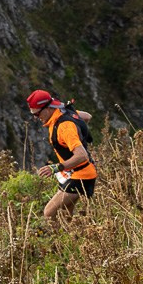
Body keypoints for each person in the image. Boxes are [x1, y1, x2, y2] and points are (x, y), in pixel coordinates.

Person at [26, 89, 97, 223]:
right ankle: (72, 239)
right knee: (66, 214)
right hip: (75, 173)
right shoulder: (64, 112)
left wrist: (56, 168)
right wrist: (78, 133)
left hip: (82, 175)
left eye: (37, 114)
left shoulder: (64, 126)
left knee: (49, 212)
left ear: (47, 108)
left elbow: (82, 155)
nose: (36, 118)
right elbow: (87, 116)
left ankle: (58, 242)